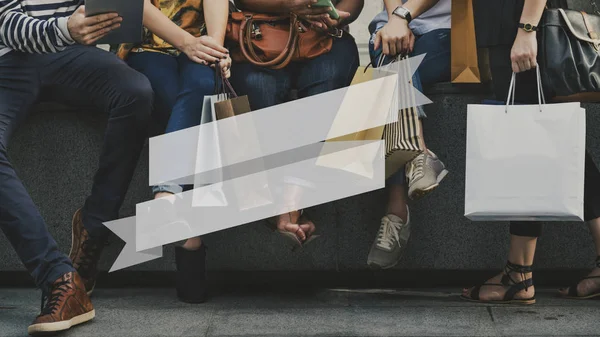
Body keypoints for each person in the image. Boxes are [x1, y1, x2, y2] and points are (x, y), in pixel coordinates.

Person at [0, 1, 154, 335]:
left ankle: (93, 229)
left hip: (70, 52)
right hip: (7, 59)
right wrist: (63, 28)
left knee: (136, 92)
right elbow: (5, 22)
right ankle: (60, 279)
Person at [462, 0, 600, 304]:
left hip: (521, 24)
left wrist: (527, 29)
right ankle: (519, 272)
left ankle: (519, 274)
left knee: (530, 146)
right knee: (556, 147)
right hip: (516, 26)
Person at [118, 0, 232, 303]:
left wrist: (214, 49)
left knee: (203, 84)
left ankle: (167, 194)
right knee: (179, 101)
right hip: (146, 46)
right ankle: (191, 240)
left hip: (202, 42)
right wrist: (189, 44)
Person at [229, 0, 363, 249]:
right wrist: (290, 5)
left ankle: (290, 203)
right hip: (259, 34)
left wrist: (339, 17)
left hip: (325, 37)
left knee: (328, 84)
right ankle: (287, 205)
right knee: (259, 87)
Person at [365, 0, 451, 269]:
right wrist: (394, 21)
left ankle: (396, 209)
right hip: (392, 26)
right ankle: (420, 157)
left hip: (449, 29)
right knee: (389, 53)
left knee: (391, 72)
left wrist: (403, 15)